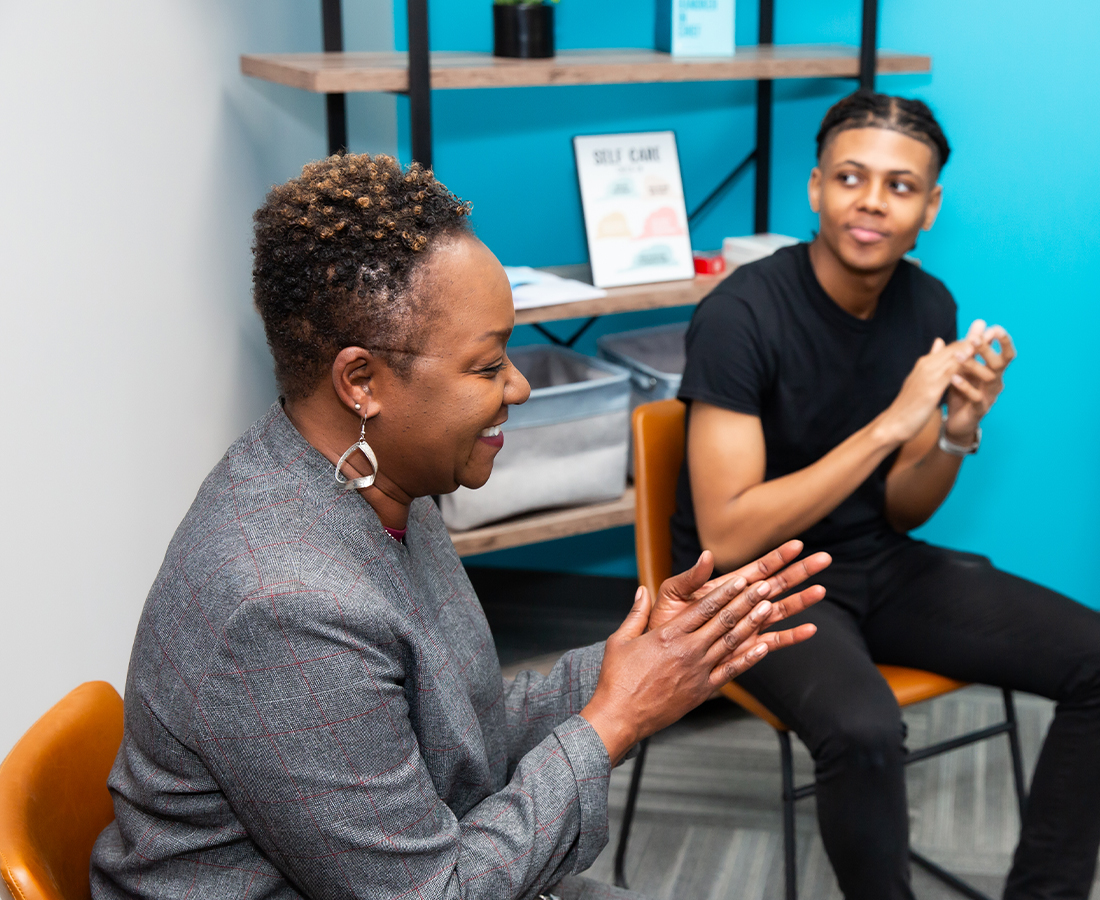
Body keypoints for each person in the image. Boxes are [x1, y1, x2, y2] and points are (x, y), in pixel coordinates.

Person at [90, 154, 832, 900]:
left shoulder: (381, 480)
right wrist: (613, 719)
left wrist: (650, 659)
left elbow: (461, 733)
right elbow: (431, 892)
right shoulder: (285, 607)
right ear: (361, 383)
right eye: (486, 367)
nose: (520, 385)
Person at [671, 92, 1100, 900]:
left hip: (871, 560)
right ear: (817, 187)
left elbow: (903, 507)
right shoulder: (740, 315)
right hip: (749, 585)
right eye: (852, 177)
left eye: (900, 186)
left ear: (930, 207)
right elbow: (728, 527)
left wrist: (957, 431)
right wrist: (891, 426)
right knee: (864, 730)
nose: (872, 201)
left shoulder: (927, 305)